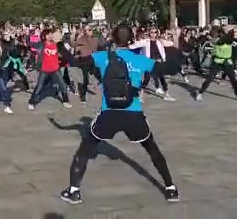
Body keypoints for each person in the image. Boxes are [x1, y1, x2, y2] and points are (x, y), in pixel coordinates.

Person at [60, 24, 179, 205]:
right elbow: (171, 68)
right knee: (152, 149)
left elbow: (75, 62)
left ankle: (73, 191)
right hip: (134, 113)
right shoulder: (141, 60)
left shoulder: (103, 57)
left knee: (84, 149)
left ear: (113, 39)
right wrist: (175, 42)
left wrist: (60, 45)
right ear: (131, 40)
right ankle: (170, 189)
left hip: (109, 113)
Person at [194, 28, 237, 102]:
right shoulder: (217, 41)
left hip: (227, 61)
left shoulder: (228, 39)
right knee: (209, 78)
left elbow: (226, 40)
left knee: (233, 80)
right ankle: (200, 93)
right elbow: (214, 47)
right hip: (217, 62)